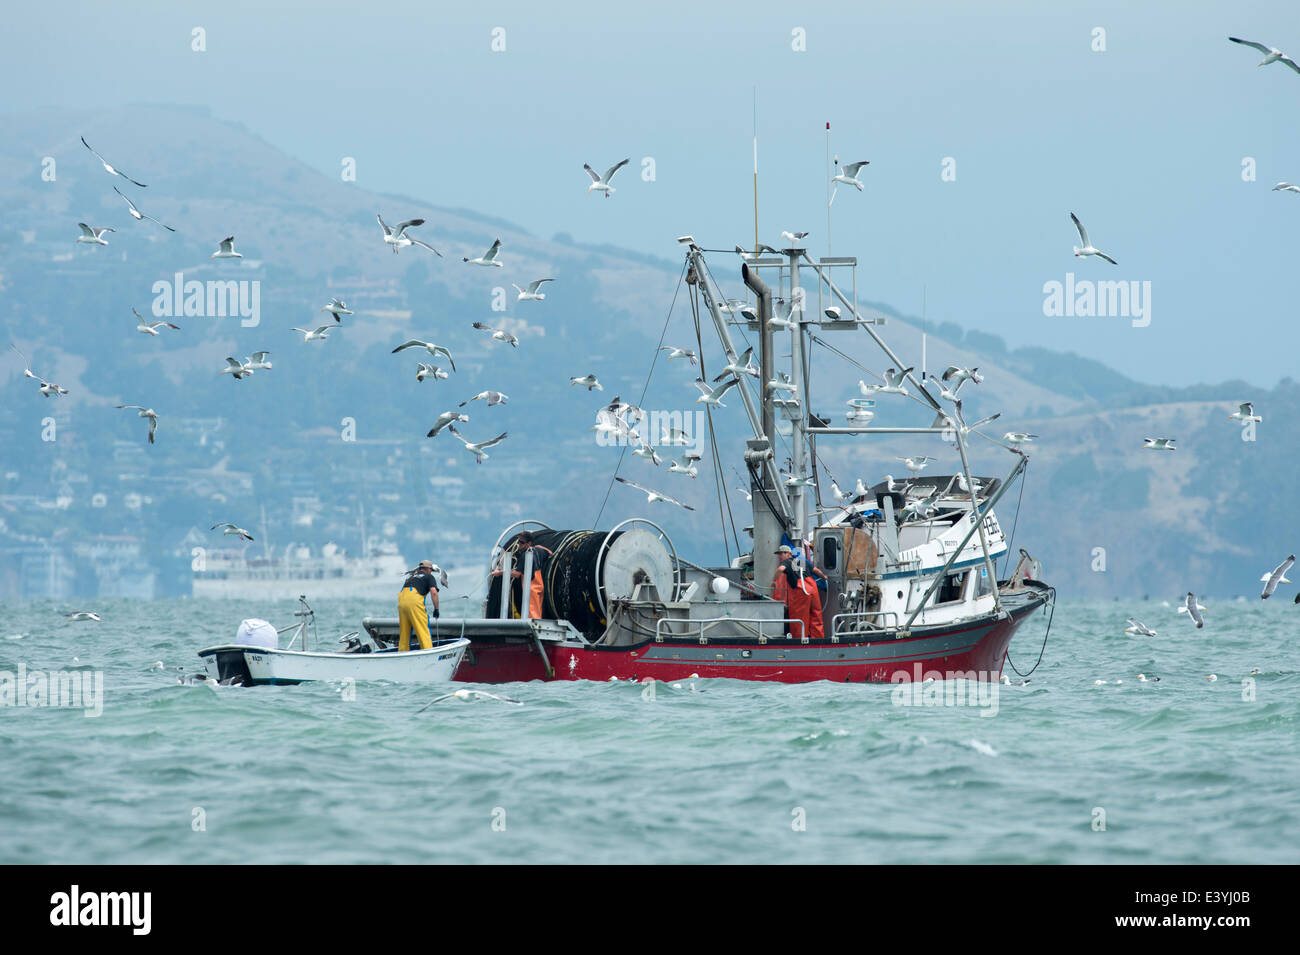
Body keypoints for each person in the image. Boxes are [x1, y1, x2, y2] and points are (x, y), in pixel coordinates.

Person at [398, 559, 440, 651]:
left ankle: (402, 654)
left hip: (401, 602)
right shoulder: (429, 577)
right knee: (423, 630)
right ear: (428, 569)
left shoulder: (411, 577)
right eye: (431, 570)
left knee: (404, 634)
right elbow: (434, 593)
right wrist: (436, 609)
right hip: (413, 601)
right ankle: (428, 653)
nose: (431, 572)